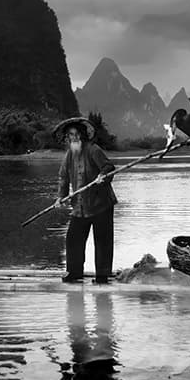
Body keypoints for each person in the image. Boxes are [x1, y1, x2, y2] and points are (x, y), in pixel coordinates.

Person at [53, 117, 116, 284]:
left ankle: (102, 276)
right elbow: (63, 177)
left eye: (76, 134)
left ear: (82, 135)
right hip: (80, 207)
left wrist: (103, 176)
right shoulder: (69, 155)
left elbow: (108, 167)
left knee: (102, 242)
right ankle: (74, 273)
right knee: (73, 238)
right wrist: (61, 197)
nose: (73, 138)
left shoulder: (93, 150)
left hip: (101, 204)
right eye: (70, 135)